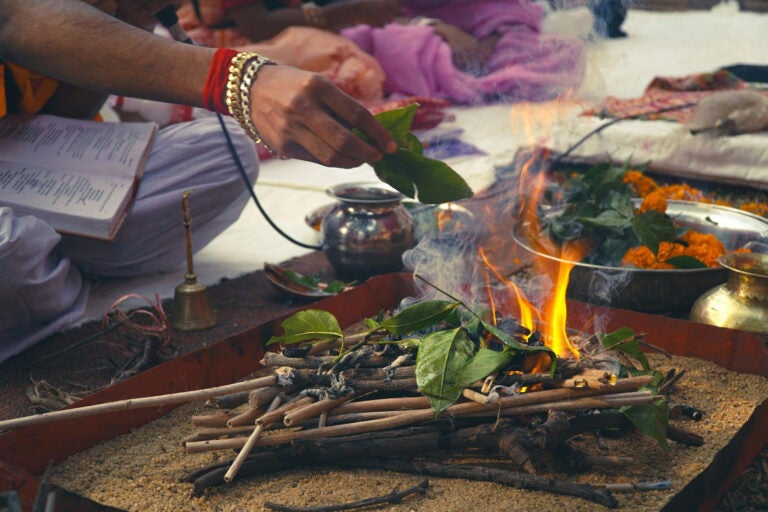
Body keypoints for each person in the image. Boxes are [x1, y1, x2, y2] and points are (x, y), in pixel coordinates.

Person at [0, 0, 396, 363]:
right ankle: (53, 269)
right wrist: (240, 80)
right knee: (13, 252)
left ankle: (51, 268)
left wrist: (124, 22)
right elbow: (13, 17)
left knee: (225, 154)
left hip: (20, 161)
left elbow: (58, 120)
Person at [176, 0, 585, 104]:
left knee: (514, 20)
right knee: (389, 52)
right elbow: (257, 25)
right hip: (261, 44)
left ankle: (478, 53)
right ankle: (448, 60)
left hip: (365, 18)